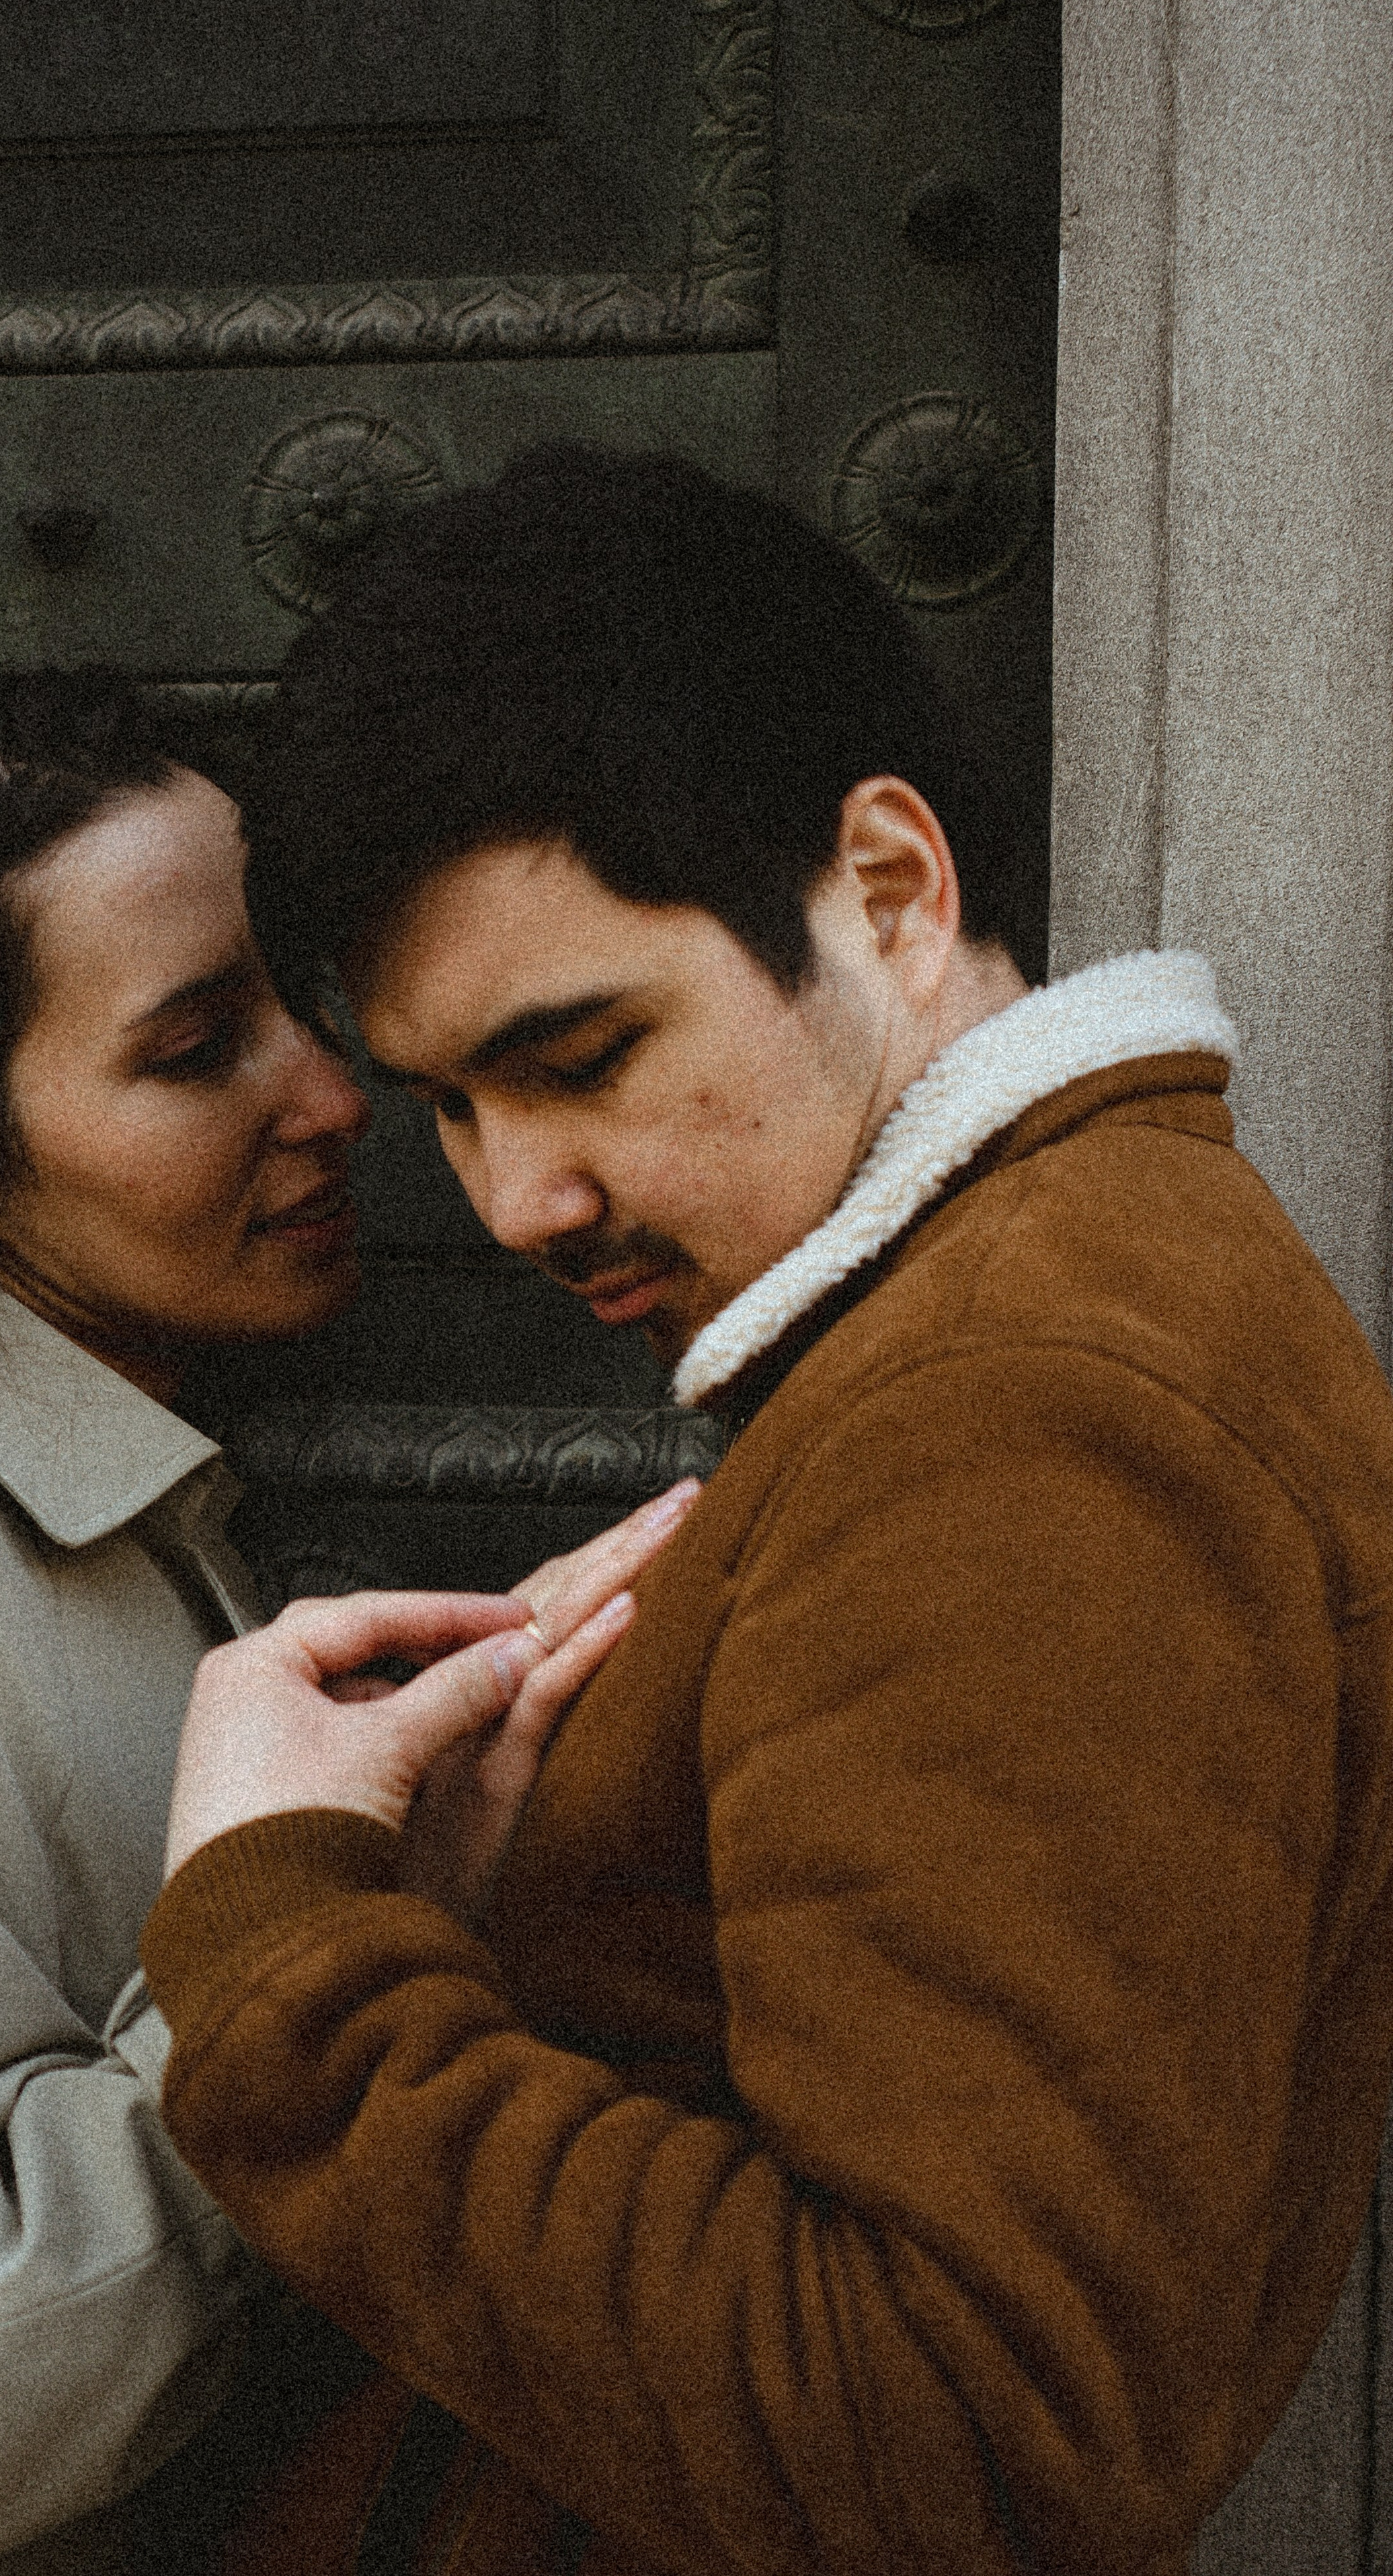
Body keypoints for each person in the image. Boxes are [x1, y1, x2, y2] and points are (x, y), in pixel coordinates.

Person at [131, 446, 1393, 2576]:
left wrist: (298, 1959)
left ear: (888, 887)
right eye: (451, 1100)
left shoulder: (1019, 1413)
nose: (518, 1197)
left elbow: (965, 2451)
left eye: (586, 1052)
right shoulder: (1016, 1312)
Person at [0, 667, 693, 2576]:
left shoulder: (126, 1517)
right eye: (195, 1048)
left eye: (298, 1003)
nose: (332, 1095)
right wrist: (306, 1959)